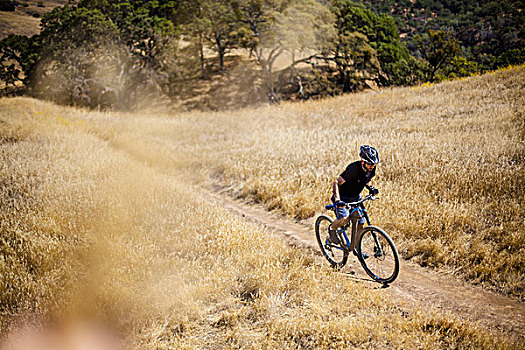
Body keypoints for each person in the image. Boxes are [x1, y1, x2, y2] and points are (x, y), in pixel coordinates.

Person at [328, 145, 380, 252]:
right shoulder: (353, 169)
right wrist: (338, 200)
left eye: (374, 164)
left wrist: (371, 188)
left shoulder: (371, 169)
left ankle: (357, 248)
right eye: (369, 163)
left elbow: (367, 179)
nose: (372, 166)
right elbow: (336, 182)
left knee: (361, 222)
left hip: (356, 198)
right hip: (343, 198)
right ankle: (332, 229)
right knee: (345, 219)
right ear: (363, 161)